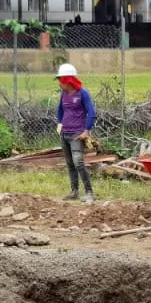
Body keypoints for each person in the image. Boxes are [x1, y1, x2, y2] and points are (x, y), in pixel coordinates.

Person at [55, 63, 97, 202]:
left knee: (78, 162)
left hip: (77, 134)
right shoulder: (63, 94)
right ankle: (74, 192)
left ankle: (89, 192)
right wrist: (59, 123)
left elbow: (91, 113)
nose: (59, 83)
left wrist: (86, 130)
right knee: (70, 164)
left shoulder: (82, 94)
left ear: (68, 80)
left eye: (61, 80)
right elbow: (60, 110)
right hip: (65, 134)